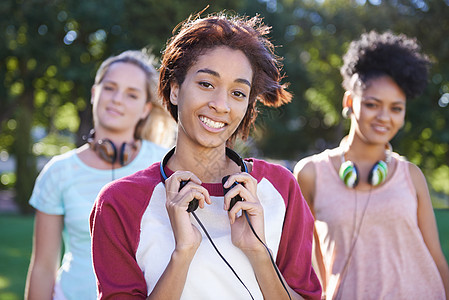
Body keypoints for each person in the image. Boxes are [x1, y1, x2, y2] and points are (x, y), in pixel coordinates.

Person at [90, 12, 322, 299]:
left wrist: (258, 253)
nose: (221, 105)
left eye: (238, 93)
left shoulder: (281, 187)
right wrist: (182, 254)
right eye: (206, 84)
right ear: (175, 90)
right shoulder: (119, 202)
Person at [294, 31, 449, 299]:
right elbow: (306, 260)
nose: (384, 118)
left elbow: (436, 256)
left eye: (396, 108)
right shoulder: (310, 174)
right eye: (372, 104)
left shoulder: (411, 175)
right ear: (349, 102)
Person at [25, 50, 171, 300]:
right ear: (95, 93)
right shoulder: (58, 172)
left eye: (131, 94)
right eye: (110, 88)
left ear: (146, 109)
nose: (117, 99)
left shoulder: (167, 164)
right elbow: (42, 268)